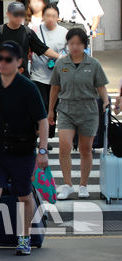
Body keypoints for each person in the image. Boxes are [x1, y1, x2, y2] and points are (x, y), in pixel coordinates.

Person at [0, 41, 49, 260]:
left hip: (22, 151)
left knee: (23, 196)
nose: (3, 63)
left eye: (8, 59)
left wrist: (42, 151)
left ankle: (24, 237)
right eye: (0, 58)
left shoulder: (28, 88)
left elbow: (42, 121)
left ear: (19, 62)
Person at [49, 28, 108, 201]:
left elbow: (101, 87)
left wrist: (105, 101)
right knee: (64, 146)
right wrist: (50, 110)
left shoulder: (93, 64)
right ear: (67, 44)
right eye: (71, 43)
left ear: (84, 45)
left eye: (78, 44)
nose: (74, 47)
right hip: (66, 109)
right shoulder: (61, 64)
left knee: (85, 149)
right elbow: (54, 88)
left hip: (88, 110)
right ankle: (67, 185)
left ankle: (83, 185)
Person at [0, 1, 58, 77]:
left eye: (22, 14)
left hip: (21, 74)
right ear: (8, 14)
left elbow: (43, 48)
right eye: (16, 14)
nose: (19, 17)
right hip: (2, 75)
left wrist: (59, 57)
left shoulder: (28, 32)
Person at [30, 5, 67, 147]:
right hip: (38, 74)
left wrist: (61, 59)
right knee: (41, 105)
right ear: (43, 17)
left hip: (56, 76)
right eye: (48, 15)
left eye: (53, 16)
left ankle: (45, 137)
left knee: (53, 107)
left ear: (58, 17)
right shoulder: (35, 30)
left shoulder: (64, 32)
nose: (50, 19)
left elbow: (68, 51)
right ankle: (37, 134)